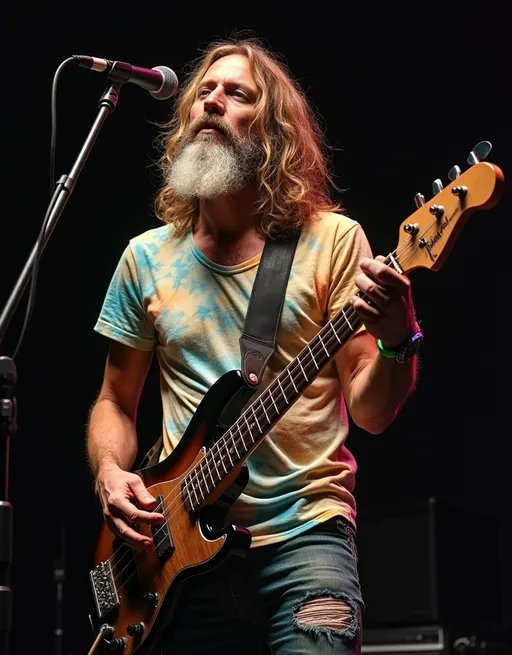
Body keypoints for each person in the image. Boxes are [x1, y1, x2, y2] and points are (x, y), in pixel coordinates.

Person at [86, 35, 422, 655]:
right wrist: (110, 472)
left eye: (236, 93)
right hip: (172, 553)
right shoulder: (146, 258)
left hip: (305, 539)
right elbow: (113, 400)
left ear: (271, 133)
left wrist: (399, 336)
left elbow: (373, 413)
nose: (211, 101)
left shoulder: (333, 242)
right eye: (203, 92)